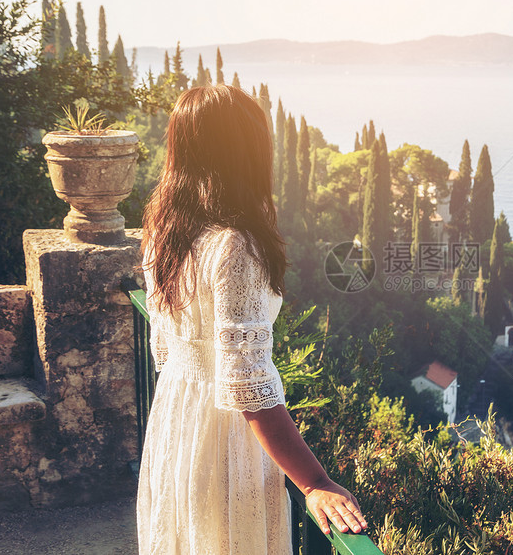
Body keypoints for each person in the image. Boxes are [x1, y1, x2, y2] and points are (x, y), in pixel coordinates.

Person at [136, 84, 366, 554]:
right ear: (247, 154)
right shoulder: (235, 246)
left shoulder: (162, 230)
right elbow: (248, 386)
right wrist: (315, 481)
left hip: (177, 420)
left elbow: (167, 345)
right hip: (226, 441)